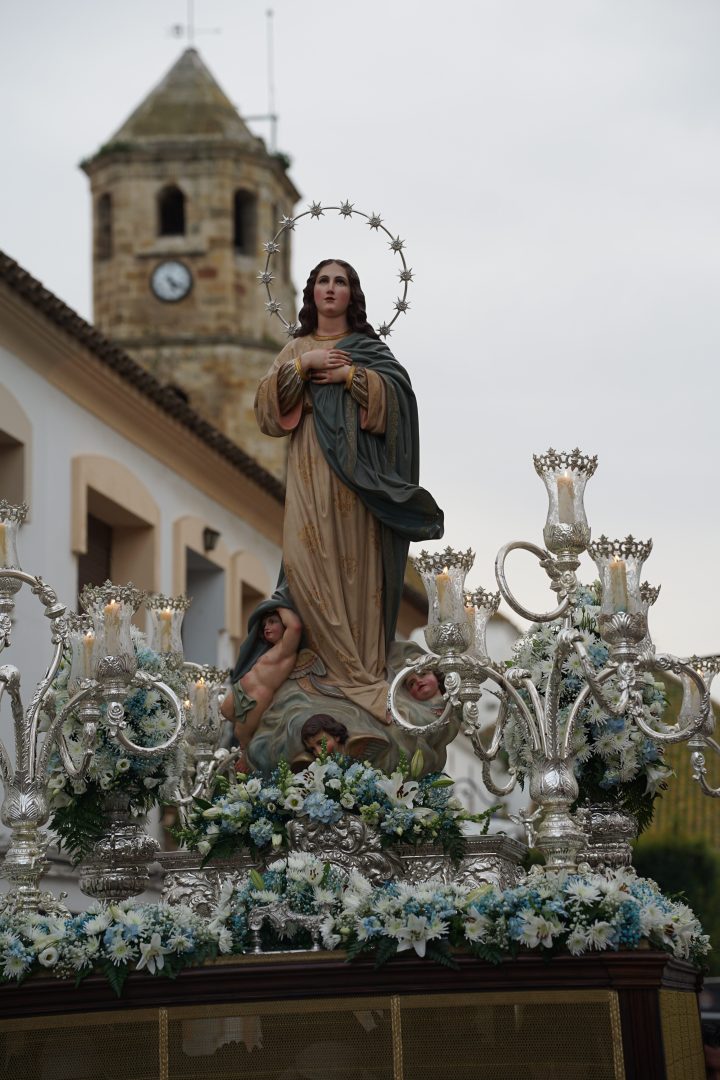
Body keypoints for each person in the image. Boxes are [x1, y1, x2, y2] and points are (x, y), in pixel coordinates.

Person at [253, 258, 444, 725]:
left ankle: (359, 673)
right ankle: (317, 670)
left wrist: (352, 378)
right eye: (323, 281)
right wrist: (305, 365)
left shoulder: (369, 350)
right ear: (311, 292)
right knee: (305, 560)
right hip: (308, 465)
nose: (331, 289)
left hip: (356, 478)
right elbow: (264, 411)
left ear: (352, 293)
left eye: (340, 282)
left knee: (354, 567)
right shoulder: (294, 347)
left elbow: (398, 399)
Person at [221, 607, 301, 752]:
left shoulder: (286, 649)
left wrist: (278, 604)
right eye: (265, 624)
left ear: (284, 626)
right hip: (242, 690)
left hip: (257, 697)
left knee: (241, 734)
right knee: (225, 710)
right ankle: (255, 732)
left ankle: (249, 764)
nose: (267, 627)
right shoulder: (270, 649)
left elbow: (295, 626)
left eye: (272, 622)